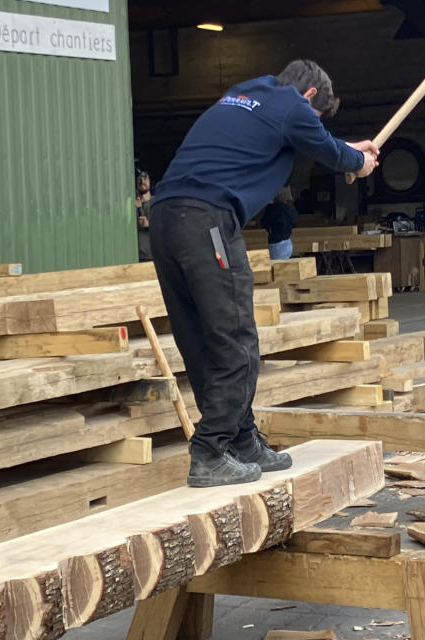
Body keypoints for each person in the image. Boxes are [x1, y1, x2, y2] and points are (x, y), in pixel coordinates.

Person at [149, 60, 379, 487]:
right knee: (236, 339)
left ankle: (239, 438)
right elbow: (326, 149)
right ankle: (210, 449)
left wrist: (348, 149)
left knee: (200, 339)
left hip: (165, 218)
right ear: (310, 95)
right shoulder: (294, 106)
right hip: (208, 220)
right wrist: (357, 162)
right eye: (316, 115)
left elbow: (312, 140)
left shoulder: (246, 94)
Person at [260, 186, 298, 260]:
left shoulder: (273, 209)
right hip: (288, 241)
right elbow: (295, 221)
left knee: (277, 266)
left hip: (276, 243)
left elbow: (264, 222)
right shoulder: (291, 209)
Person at [136, 171, 153, 261]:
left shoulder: (156, 203)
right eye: (140, 180)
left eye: (145, 179)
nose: (142, 181)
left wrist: (149, 224)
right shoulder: (131, 204)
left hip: (152, 256)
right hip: (135, 256)